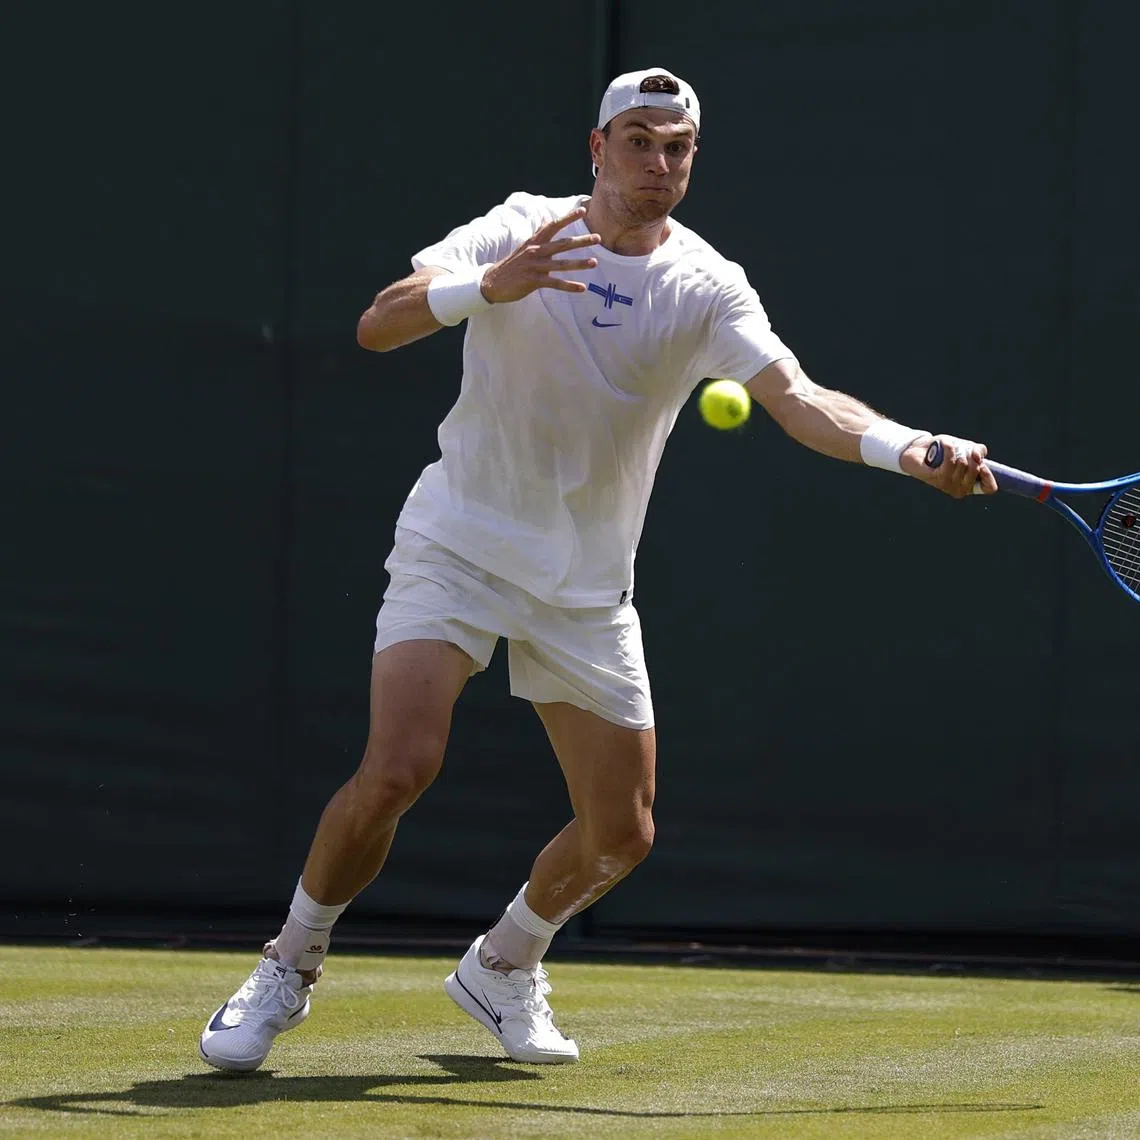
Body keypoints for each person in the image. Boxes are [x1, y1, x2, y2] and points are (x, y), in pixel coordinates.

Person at [199, 67, 996, 1073]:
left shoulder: (708, 284)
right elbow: (379, 322)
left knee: (621, 837)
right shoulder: (522, 228)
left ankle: (502, 965)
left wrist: (910, 448)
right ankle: (288, 964)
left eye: (678, 148)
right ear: (597, 147)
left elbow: (799, 398)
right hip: (461, 541)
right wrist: (485, 286)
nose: (658, 164)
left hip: (584, 584)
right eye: (639, 141)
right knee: (401, 764)